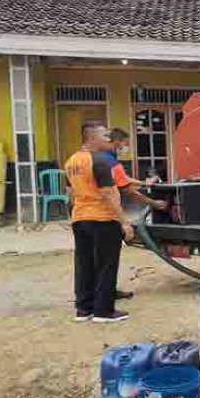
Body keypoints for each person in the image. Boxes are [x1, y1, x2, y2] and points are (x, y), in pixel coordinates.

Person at [64, 121, 135, 323]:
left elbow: (70, 192)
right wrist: (124, 222)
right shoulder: (100, 162)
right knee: (106, 264)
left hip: (81, 218)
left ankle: (84, 309)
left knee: (84, 263)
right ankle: (104, 311)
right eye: (104, 136)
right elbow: (108, 193)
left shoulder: (71, 161)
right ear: (92, 138)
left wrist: (76, 215)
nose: (108, 140)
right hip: (103, 218)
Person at [107, 128, 168, 300]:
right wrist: (154, 203)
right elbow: (128, 190)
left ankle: (100, 292)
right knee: (108, 258)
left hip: (86, 215)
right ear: (117, 141)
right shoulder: (110, 161)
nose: (125, 147)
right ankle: (107, 293)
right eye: (125, 144)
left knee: (95, 258)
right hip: (107, 214)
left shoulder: (98, 159)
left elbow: (124, 180)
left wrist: (143, 182)